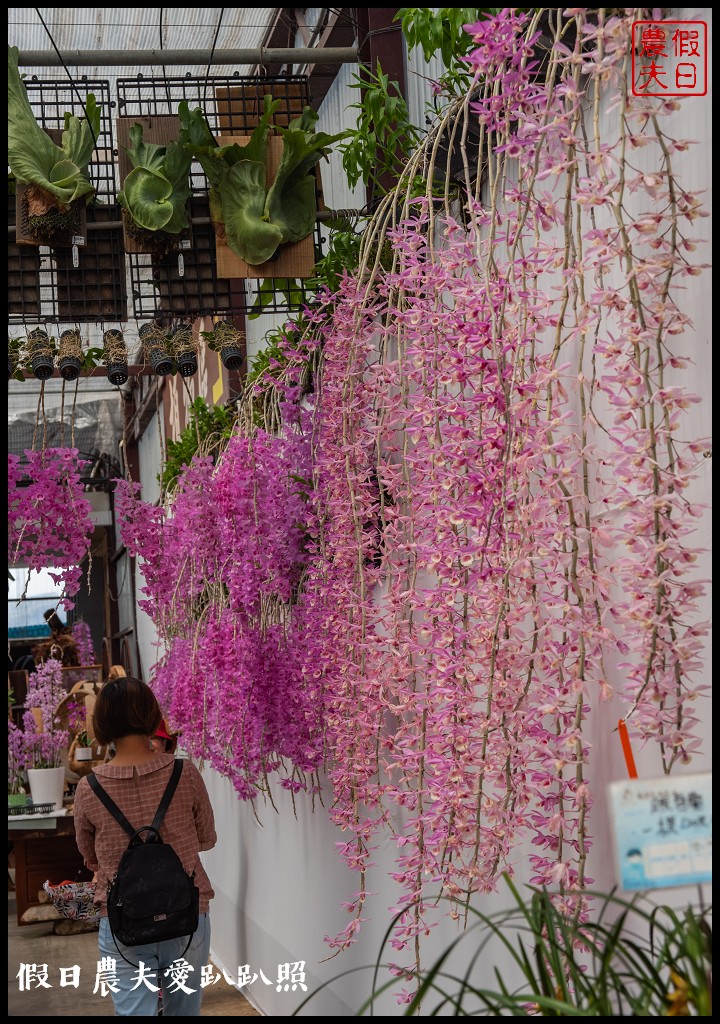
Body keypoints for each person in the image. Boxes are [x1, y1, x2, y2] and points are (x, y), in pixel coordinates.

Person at [73, 676, 216, 1016]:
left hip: (123, 919)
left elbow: (90, 858)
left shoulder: (88, 788)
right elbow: (207, 839)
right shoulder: (185, 773)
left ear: (103, 725)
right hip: (187, 913)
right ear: (153, 716)